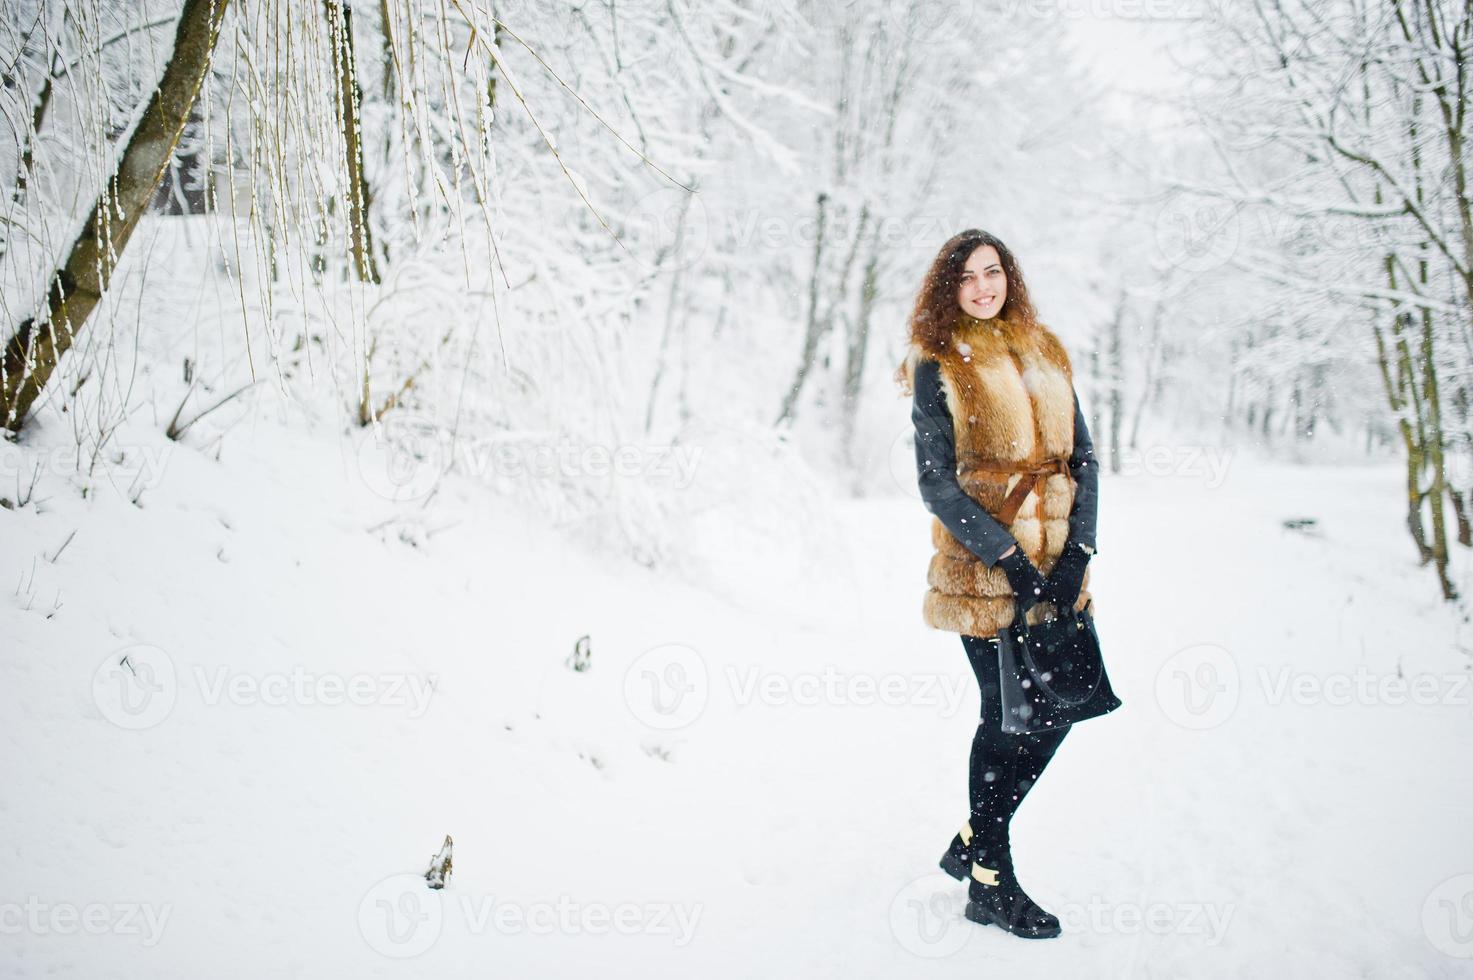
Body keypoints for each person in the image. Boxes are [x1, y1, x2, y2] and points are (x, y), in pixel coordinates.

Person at [896, 229, 1099, 940]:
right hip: (986, 572)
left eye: (992, 272)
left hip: (1059, 568)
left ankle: (974, 834)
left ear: (1007, 276)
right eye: (966, 278)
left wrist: (1078, 551)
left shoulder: (1046, 350)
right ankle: (990, 880)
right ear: (947, 289)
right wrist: (1008, 561)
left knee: (1063, 706)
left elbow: (1087, 459)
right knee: (1006, 713)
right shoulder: (937, 361)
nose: (983, 287)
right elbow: (934, 483)